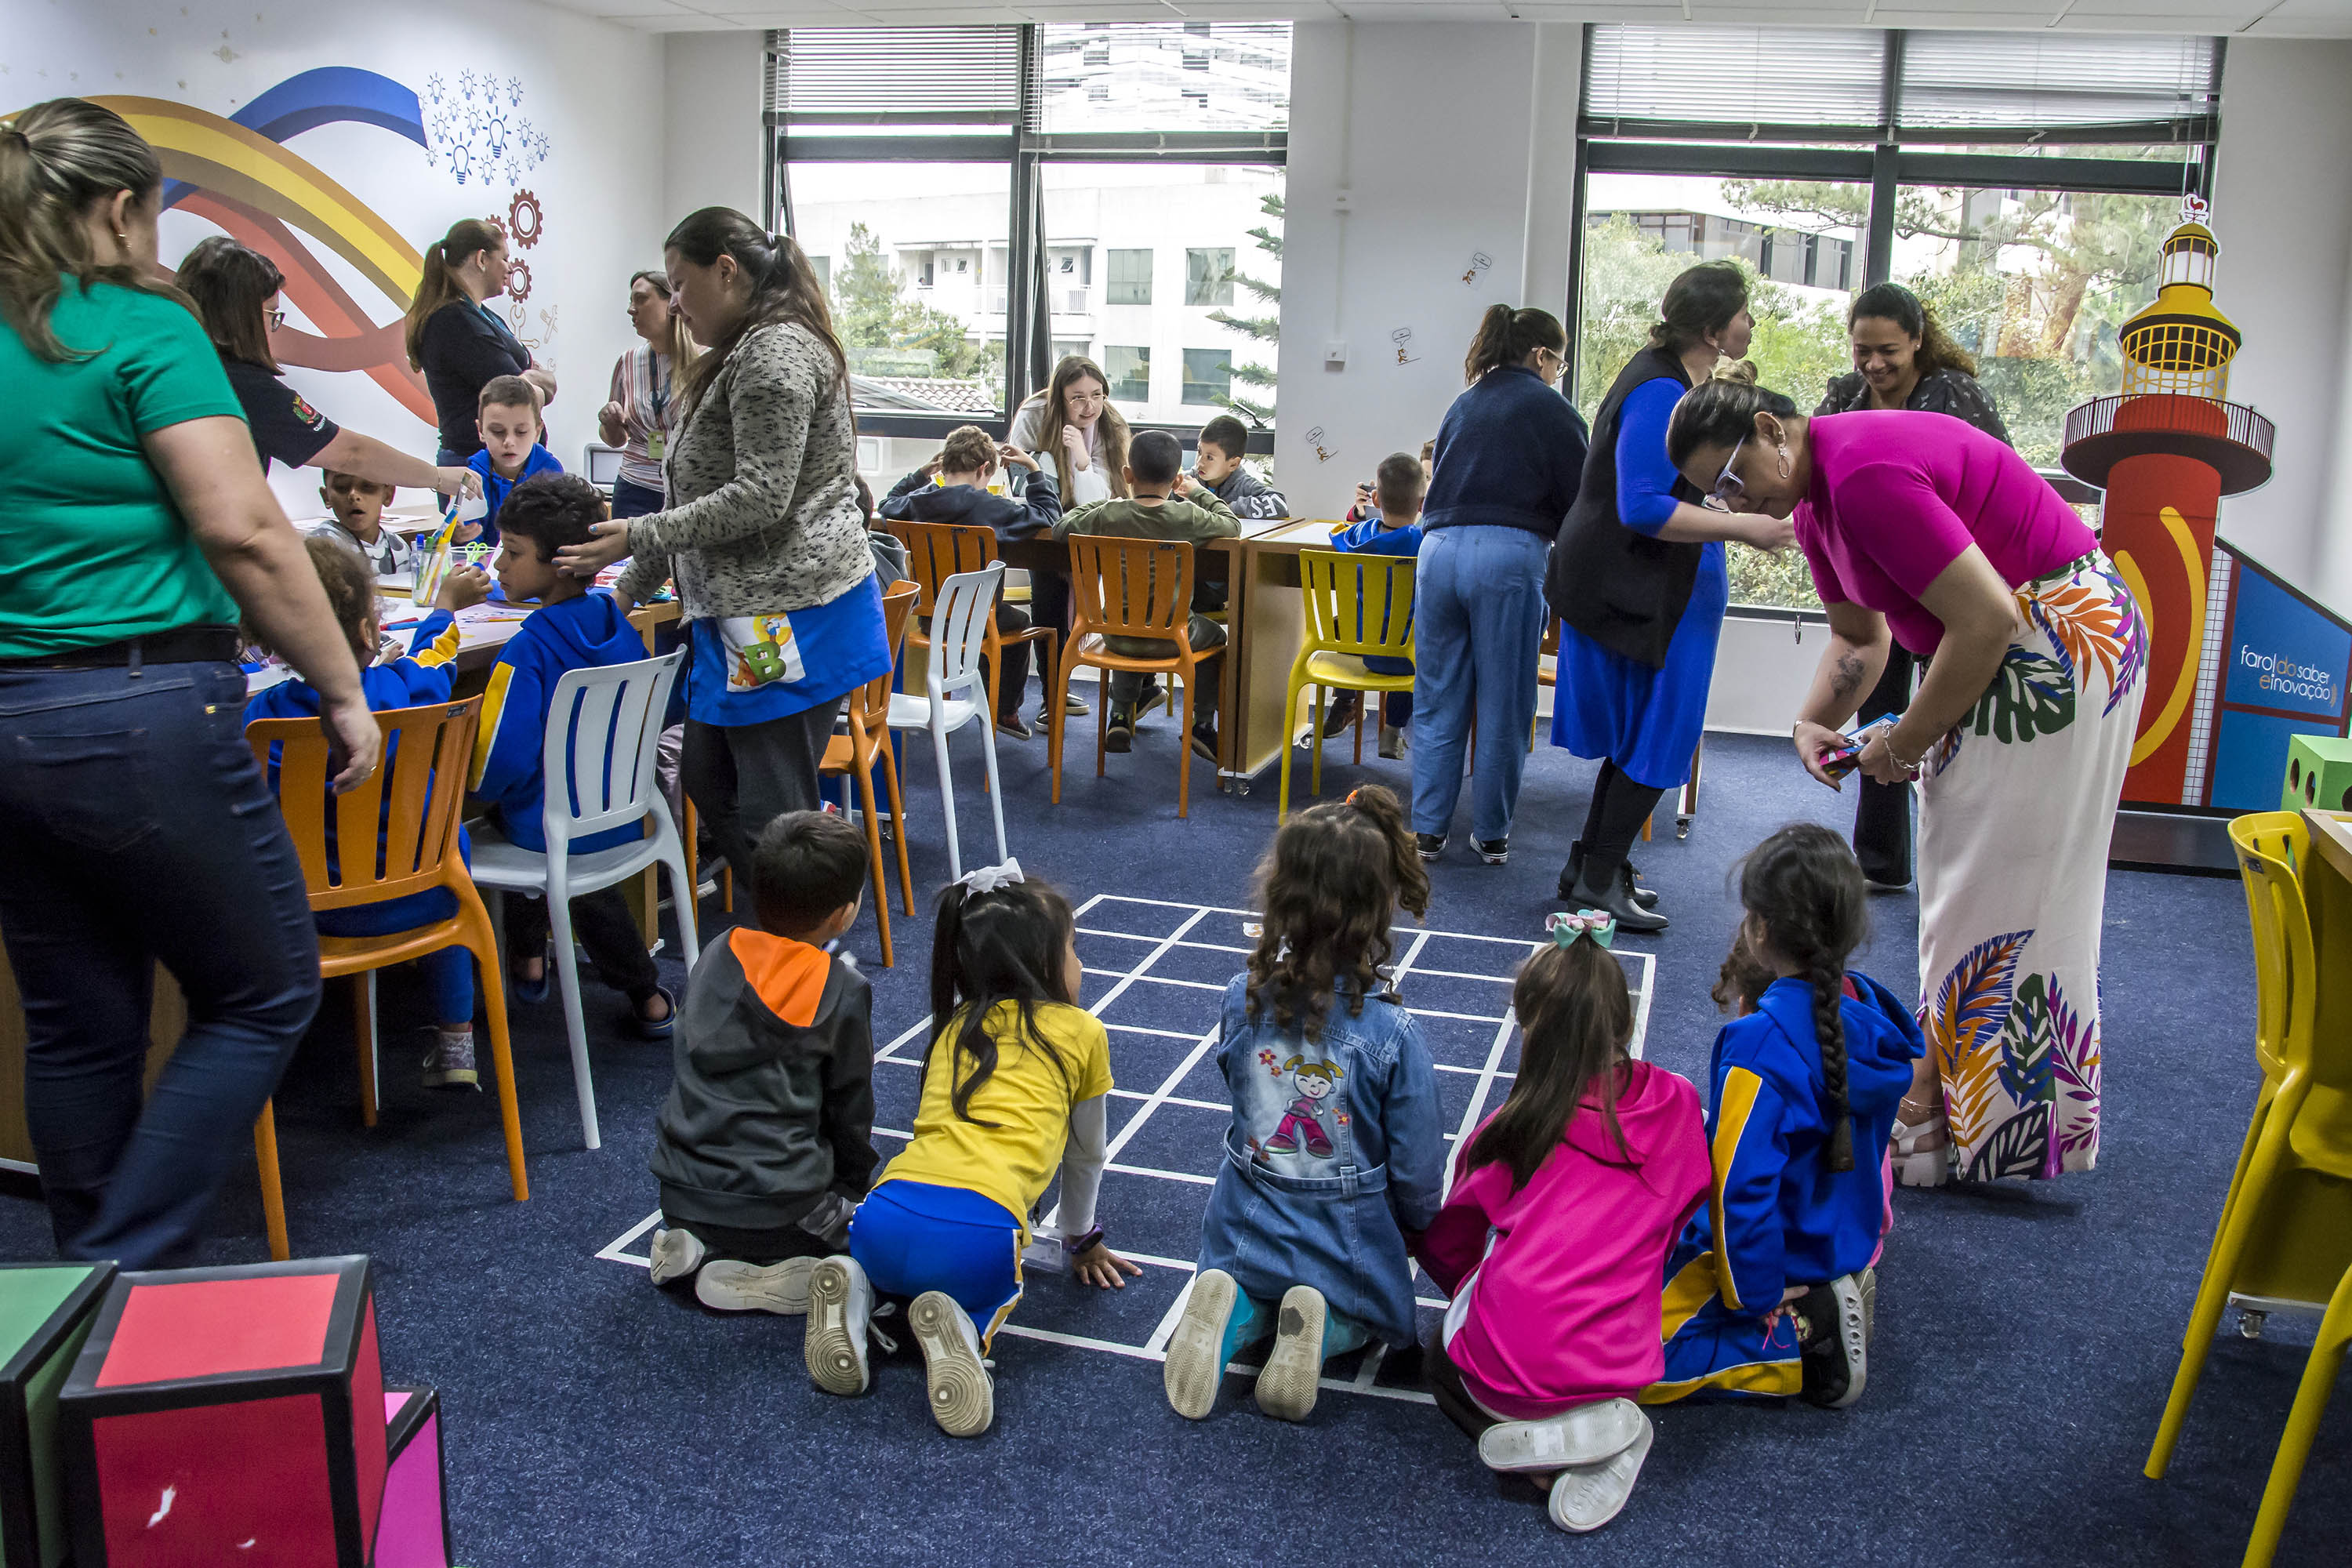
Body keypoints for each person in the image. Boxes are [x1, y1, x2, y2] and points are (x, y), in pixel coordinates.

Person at [0, 98, 379, 1267]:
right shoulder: (138, 328)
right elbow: (250, 533)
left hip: (12, 718)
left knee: (79, 1026)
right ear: (119, 207)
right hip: (141, 711)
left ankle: (81, 1334)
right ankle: (110, 1266)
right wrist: (341, 688)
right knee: (266, 989)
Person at [1665, 380, 2145, 1186]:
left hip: (2058, 642)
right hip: (2010, 643)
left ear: (1770, 430)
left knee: (2002, 886)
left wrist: (1905, 739)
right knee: (1966, 880)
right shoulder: (1818, 504)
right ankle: (1960, 1108)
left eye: (1734, 476)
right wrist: (1812, 718)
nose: (1733, 499)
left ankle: (1987, 1120)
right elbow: (1862, 638)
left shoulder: (1860, 473)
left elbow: (1987, 619)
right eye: (1717, 492)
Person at [558, 209, 890, 912]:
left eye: (680, 284)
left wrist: (638, 538)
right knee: (707, 777)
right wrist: (629, 585)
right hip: (748, 613)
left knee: (775, 807)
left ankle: (801, 942)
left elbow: (762, 497)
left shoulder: (774, 353)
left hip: (789, 611)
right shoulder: (739, 353)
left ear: (726, 270)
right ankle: (806, 910)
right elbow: (696, 492)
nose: (674, 303)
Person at [802, 866, 1141, 1437]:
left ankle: (861, 1298)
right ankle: (965, 1330)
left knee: (897, 1266)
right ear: (1042, 966)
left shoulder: (955, 1024)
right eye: (1073, 951)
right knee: (983, 1288)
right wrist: (1080, 1239)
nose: (1080, 965)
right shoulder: (1083, 1032)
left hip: (882, 1216)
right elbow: (1087, 1155)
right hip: (978, 1235)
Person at [1416, 911, 1709, 1536]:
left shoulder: (1508, 1130)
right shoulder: (1680, 1106)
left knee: (1440, 1359)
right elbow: (1686, 1210)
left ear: (1529, 1031)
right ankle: (1599, 1438)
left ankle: (1540, 1457)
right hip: (1620, 1372)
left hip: (1507, 1377)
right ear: (1623, 1023)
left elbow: (1452, 1245)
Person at [1163, 786, 1443, 1425]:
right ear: (1378, 910)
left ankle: (1229, 1309)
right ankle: (1323, 1328)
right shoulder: (1394, 1035)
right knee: (1370, 1312)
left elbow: (1235, 1085)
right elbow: (1418, 1165)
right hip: (1344, 1237)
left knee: (1249, 1285)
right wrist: (1421, 1224)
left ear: (1281, 896)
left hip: (1245, 1221)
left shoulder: (1242, 996)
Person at [1545, 262, 1793, 931]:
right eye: (1742, 313)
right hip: (1640, 585)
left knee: (1643, 739)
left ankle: (1591, 868)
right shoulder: (1660, 387)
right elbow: (1643, 505)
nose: (1749, 324)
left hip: (1639, 581)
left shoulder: (1673, 378)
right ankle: (1597, 880)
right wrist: (1749, 527)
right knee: (1659, 738)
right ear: (1712, 327)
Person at [1649, 824, 1922, 1409]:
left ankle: (1798, 1336)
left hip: (1779, 1257)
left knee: (1616, 1358)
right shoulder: (1868, 1013)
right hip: (1843, 1239)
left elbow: (1739, 1190)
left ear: (1760, 929)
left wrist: (1753, 1295)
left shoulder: (1757, 1045)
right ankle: (1828, 1292)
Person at [244, 537, 495, 1088]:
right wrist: (444, 608)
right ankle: (456, 1037)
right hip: (428, 896)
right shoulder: (404, 688)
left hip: (307, 916)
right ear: (368, 631)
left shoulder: (261, 719)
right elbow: (440, 657)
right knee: (451, 837)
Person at [1816, 281, 2013, 895]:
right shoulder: (1845, 396)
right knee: (1881, 707)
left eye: (1889, 352)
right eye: (1863, 350)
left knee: (1955, 710)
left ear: (1919, 343)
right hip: (1883, 571)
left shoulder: (1953, 394)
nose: (1874, 365)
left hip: (1953, 572)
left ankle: (1960, 854)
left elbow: (1998, 480)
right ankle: (1881, 860)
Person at [647, 809, 878, 1316]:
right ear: (842, 914)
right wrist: (858, 1186)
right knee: (881, 1239)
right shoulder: (840, 989)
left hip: (679, 1193)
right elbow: (850, 1109)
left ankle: (693, 1244)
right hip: (779, 1207)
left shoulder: (715, 953)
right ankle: (762, 1273)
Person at [470, 474, 674, 1040]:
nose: (498, 566)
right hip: (622, 809)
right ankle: (645, 994)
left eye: (512, 552)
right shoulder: (615, 622)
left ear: (560, 563)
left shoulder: (525, 650)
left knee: (485, 817)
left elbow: (497, 767)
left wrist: (465, 787)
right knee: (561, 843)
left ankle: (522, 958)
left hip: (552, 827)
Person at [1411, 306, 1590, 868]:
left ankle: (1427, 832)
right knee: (1504, 702)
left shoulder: (1463, 404)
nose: (1558, 374)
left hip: (1436, 553)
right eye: (1558, 363)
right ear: (1540, 355)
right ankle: (1489, 834)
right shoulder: (1552, 409)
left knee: (1438, 697)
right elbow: (1581, 502)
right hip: (1507, 556)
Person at [176, 236, 480, 512]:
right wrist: (437, 477)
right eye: (271, 314)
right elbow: (350, 454)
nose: (272, 329)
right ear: (240, 316)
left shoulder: (177, 371)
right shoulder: (243, 387)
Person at [1050, 429, 1239, 760]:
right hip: (1174, 638)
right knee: (1217, 639)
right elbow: (1231, 525)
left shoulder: (1110, 515)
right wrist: (1197, 493)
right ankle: (1202, 723)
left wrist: (1109, 501)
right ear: (1177, 478)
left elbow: (1061, 528)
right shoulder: (1188, 516)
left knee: (1128, 618)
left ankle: (1120, 714)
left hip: (1116, 637)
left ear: (1127, 475)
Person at [878, 424, 1062, 739]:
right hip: (981, 620)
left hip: (930, 620)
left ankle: (975, 701)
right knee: (1016, 621)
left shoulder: (916, 504)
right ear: (983, 469)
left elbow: (887, 504)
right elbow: (1049, 516)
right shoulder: (992, 507)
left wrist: (922, 475)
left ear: (944, 466)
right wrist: (1033, 469)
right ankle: (1005, 710)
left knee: (996, 619)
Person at [1009, 355, 1131, 719]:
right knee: (1049, 605)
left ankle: (1136, 692)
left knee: (1131, 599)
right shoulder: (1035, 415)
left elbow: (1102, 498)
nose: (1089, 405)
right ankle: (1053, 695)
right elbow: (1021, 479)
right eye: (1077, 397)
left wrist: (1080, 457)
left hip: (1096, 531)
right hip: (1045, 527)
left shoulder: (1112, 424)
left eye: (1097, 394)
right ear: (1058, 397)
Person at [405, 216, 555, 464]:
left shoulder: (484, 316)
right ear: (482, 259)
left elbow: (530, 386)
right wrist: (533, 382)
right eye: (505, 259)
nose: (510, 268)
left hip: (506, 464)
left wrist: (531, 382)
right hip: (478, 466)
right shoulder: (455, 322)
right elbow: (519, 395)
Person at [1318, 451, 1428, 760]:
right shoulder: (1423, 542)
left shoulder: (1357, 536)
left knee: (1343, 619)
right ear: (1422, 504)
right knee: (1415, 636)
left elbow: (1336, 533)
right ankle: (1392, 729)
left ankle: (1346, 700)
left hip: (1362, 647)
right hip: (1408, 657)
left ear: (1376, 499)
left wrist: (1359, 512)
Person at [599, 270, 697, 521]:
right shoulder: (628, 361)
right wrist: (608, 422)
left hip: (689, 489)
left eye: (641, 299)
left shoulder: (704, 360)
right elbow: (615, 440)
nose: (632, 309)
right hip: (635, 488)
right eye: (631, 301)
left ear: (672, 302)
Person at [467, 375, 563, 547]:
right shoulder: (473, 474)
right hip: (484, 568)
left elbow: (557, 535)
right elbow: (468, 544)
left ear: (537, 432)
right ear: (480, 431)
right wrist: (460, 536)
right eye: (498, 431)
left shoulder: (550, 471)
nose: (509, 442)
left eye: (521, 432)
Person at [309, 470, 422, 579]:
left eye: (367, 486)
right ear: (326, 497)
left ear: (388, 495)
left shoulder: (398, 546)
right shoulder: (321, 548)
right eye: (342, 487)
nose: (354, 496)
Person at [1189, 413, 1287, 520]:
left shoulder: (1243, 485)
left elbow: (1279, 504)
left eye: (1210, 458)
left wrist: (1229, 508)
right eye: (1199, 452)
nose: (1199, 462)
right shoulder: (1188, 480)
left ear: (1233, 464)